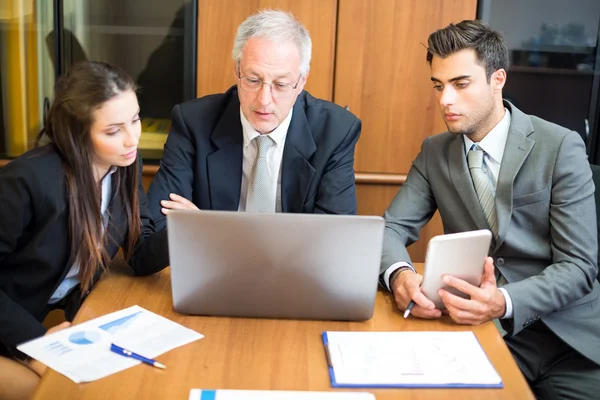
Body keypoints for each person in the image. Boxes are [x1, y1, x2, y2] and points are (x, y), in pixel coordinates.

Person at [381, 20, 600, 398]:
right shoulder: (435, 153)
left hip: (572, 340)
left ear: (498, 79)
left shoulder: (560, 146)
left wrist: (503, 301)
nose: (445, 99)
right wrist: (399, 275)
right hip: (487, 336)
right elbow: (390, 229)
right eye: (438, 85)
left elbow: (580, 267)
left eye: (460, 84)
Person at [0, 61, 168, 400]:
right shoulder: (27, 181)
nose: (132, 138)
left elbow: (139, 254)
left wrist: (188, 231)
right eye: (113, 130)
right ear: (78, 133)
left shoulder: (123, 166)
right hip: (14, 329)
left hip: (35, 327)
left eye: (135, 120)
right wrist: (35, 343)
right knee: (55, 393)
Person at [147, 9, 360, 227]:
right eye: (252, 80)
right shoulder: (194, 122)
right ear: (237, 70)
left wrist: (207, 227)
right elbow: (148, 242)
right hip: (215, 262)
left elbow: (333, 238)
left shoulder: (336, 131)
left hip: (294, 263)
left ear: (302, 80)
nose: (264, 100)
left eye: (281, 85)